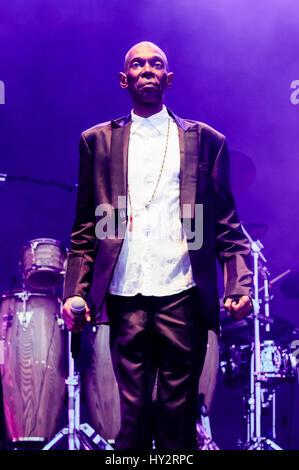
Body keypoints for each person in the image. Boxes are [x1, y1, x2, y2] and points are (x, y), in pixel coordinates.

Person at [62, 41, 253, 450]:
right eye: (137, 64)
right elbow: (91, 225)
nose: (147, 70)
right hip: (126, 293)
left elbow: (222, 224)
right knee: (132, 419)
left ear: (168, 79)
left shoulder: (203, 141)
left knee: (178, 420)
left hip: (182, 294)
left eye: (156, 64)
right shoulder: (98, 143)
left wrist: (238, 285)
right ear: (123, 79)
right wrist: (75, 292)